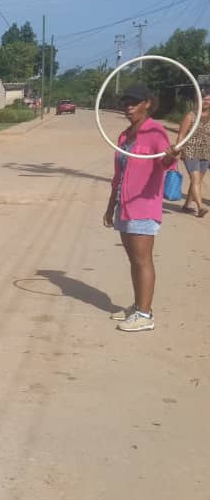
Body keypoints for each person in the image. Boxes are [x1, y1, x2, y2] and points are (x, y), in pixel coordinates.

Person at [104, 83, 179, 332]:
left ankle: (145, 315)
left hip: (144, 206)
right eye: (126, 102)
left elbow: (165, 163)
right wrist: (110, 206)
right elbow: (118, 175)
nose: (129, 107)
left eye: (134, 102)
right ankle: (139, 307)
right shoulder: (125, 136)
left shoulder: (156, 133)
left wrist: (170, 156)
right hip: (124, 206)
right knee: (134, 260)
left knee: (142, 260)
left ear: (147, 103)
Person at [176, 83, 210, 217]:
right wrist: (177, 149)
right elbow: (181, 134)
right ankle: (200, 207)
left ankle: (186, 206)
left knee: (197, 181)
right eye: (204, 99)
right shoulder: (191, 116)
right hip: (190, 151)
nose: (206, 102)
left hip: (205, 152)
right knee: (195, 180)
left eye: (209, 100)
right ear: (199, 100)